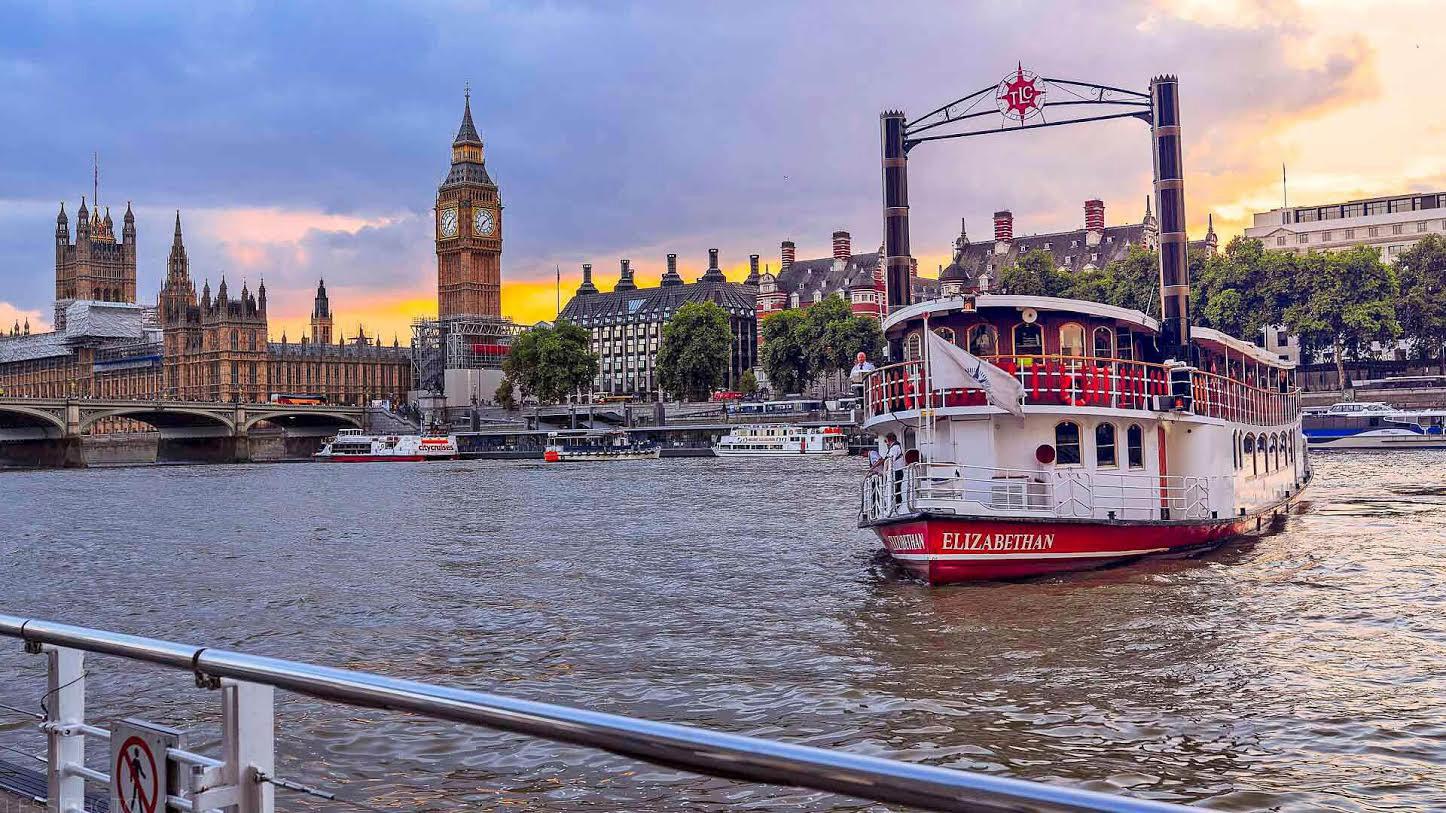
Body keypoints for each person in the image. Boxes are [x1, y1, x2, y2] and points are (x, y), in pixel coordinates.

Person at [884, 432, 905, 510]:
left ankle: (898, 504)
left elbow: (891, 459)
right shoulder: (896, 446)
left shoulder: (894, 447)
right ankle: (897, 503)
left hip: (897, 470)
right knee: (897, 486)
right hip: (898, 469)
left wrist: (885, 470)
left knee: (897, 486)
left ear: (889, 440)